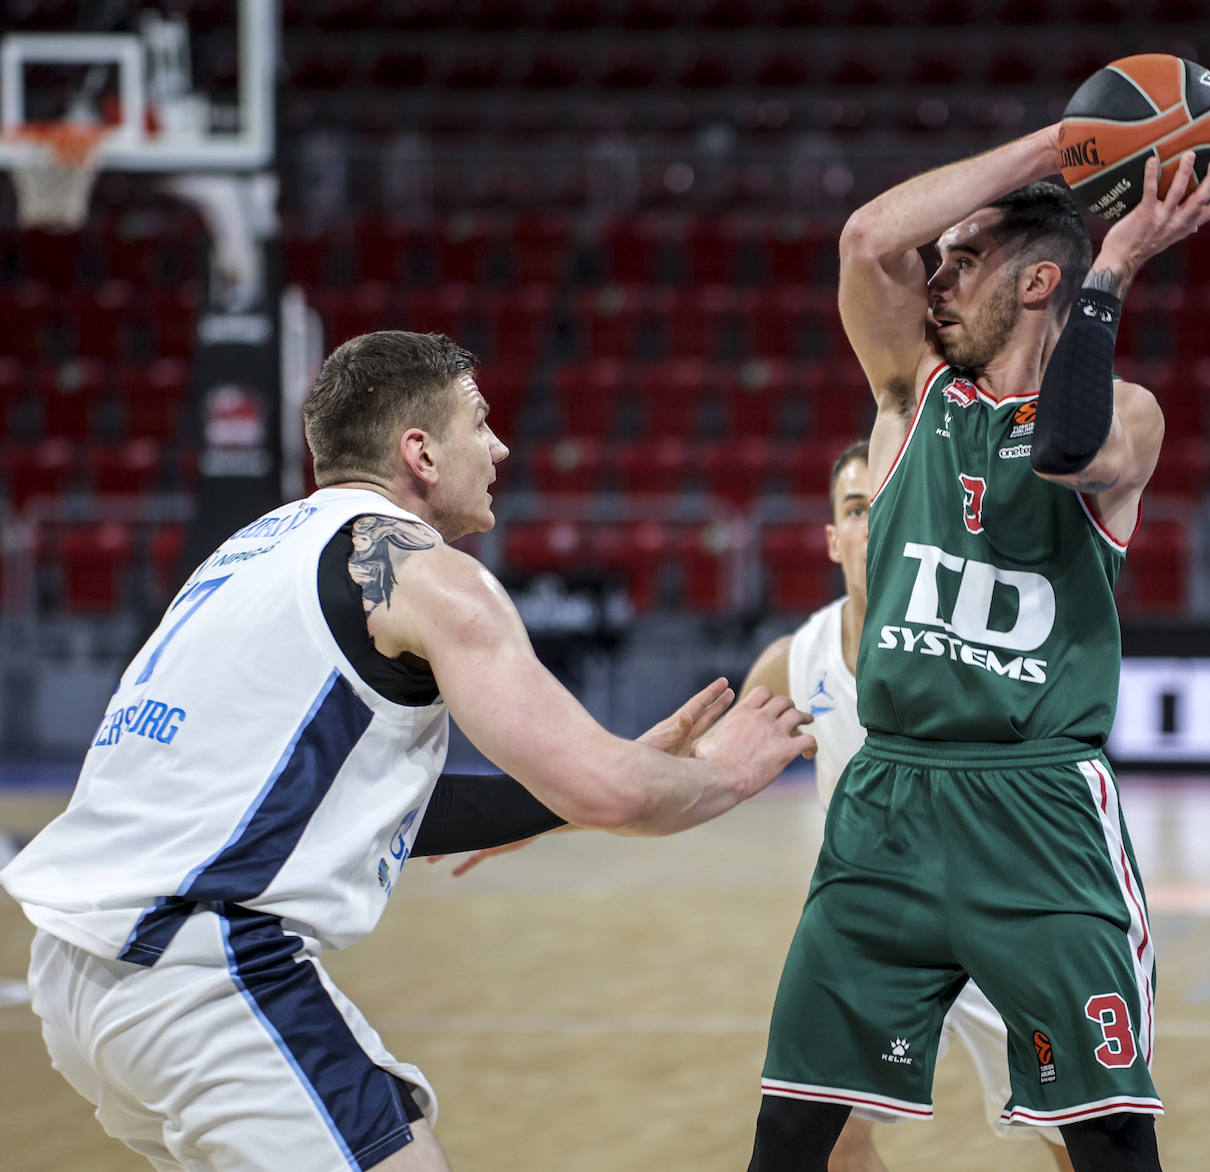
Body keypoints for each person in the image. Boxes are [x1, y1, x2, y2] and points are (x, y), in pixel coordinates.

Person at [0, 330, 816, 1172]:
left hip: (78, 971)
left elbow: (334, 801)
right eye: (480, 422)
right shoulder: (424, 571)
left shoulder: (251, 551)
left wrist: (565, 787)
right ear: (420, 452)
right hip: (203, 968)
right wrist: (721, 771)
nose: (499, 447)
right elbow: (615, 793)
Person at [747, 126, 1210, 1172]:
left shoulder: (1131, 415)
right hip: (890, 801)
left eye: (963, 261)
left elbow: (1065, 445)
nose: (935, 283)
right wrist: (1063, 144)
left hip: (1037, 806)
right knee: (793, 1132)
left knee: (1106, 1139)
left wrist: (1113, 265)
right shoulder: (910, 393)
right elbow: (869, 238)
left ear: (1038, 281)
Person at [742, 440, 1071, 1172]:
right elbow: (686, 768)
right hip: (883, 929)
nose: (873, 522)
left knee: (1078, 1142)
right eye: (855, 509)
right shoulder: (796, 659)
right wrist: (549, 810)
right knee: (833, 1138)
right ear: (833, 538)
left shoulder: (981, 633)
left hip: (1006, 919)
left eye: (887, 502)